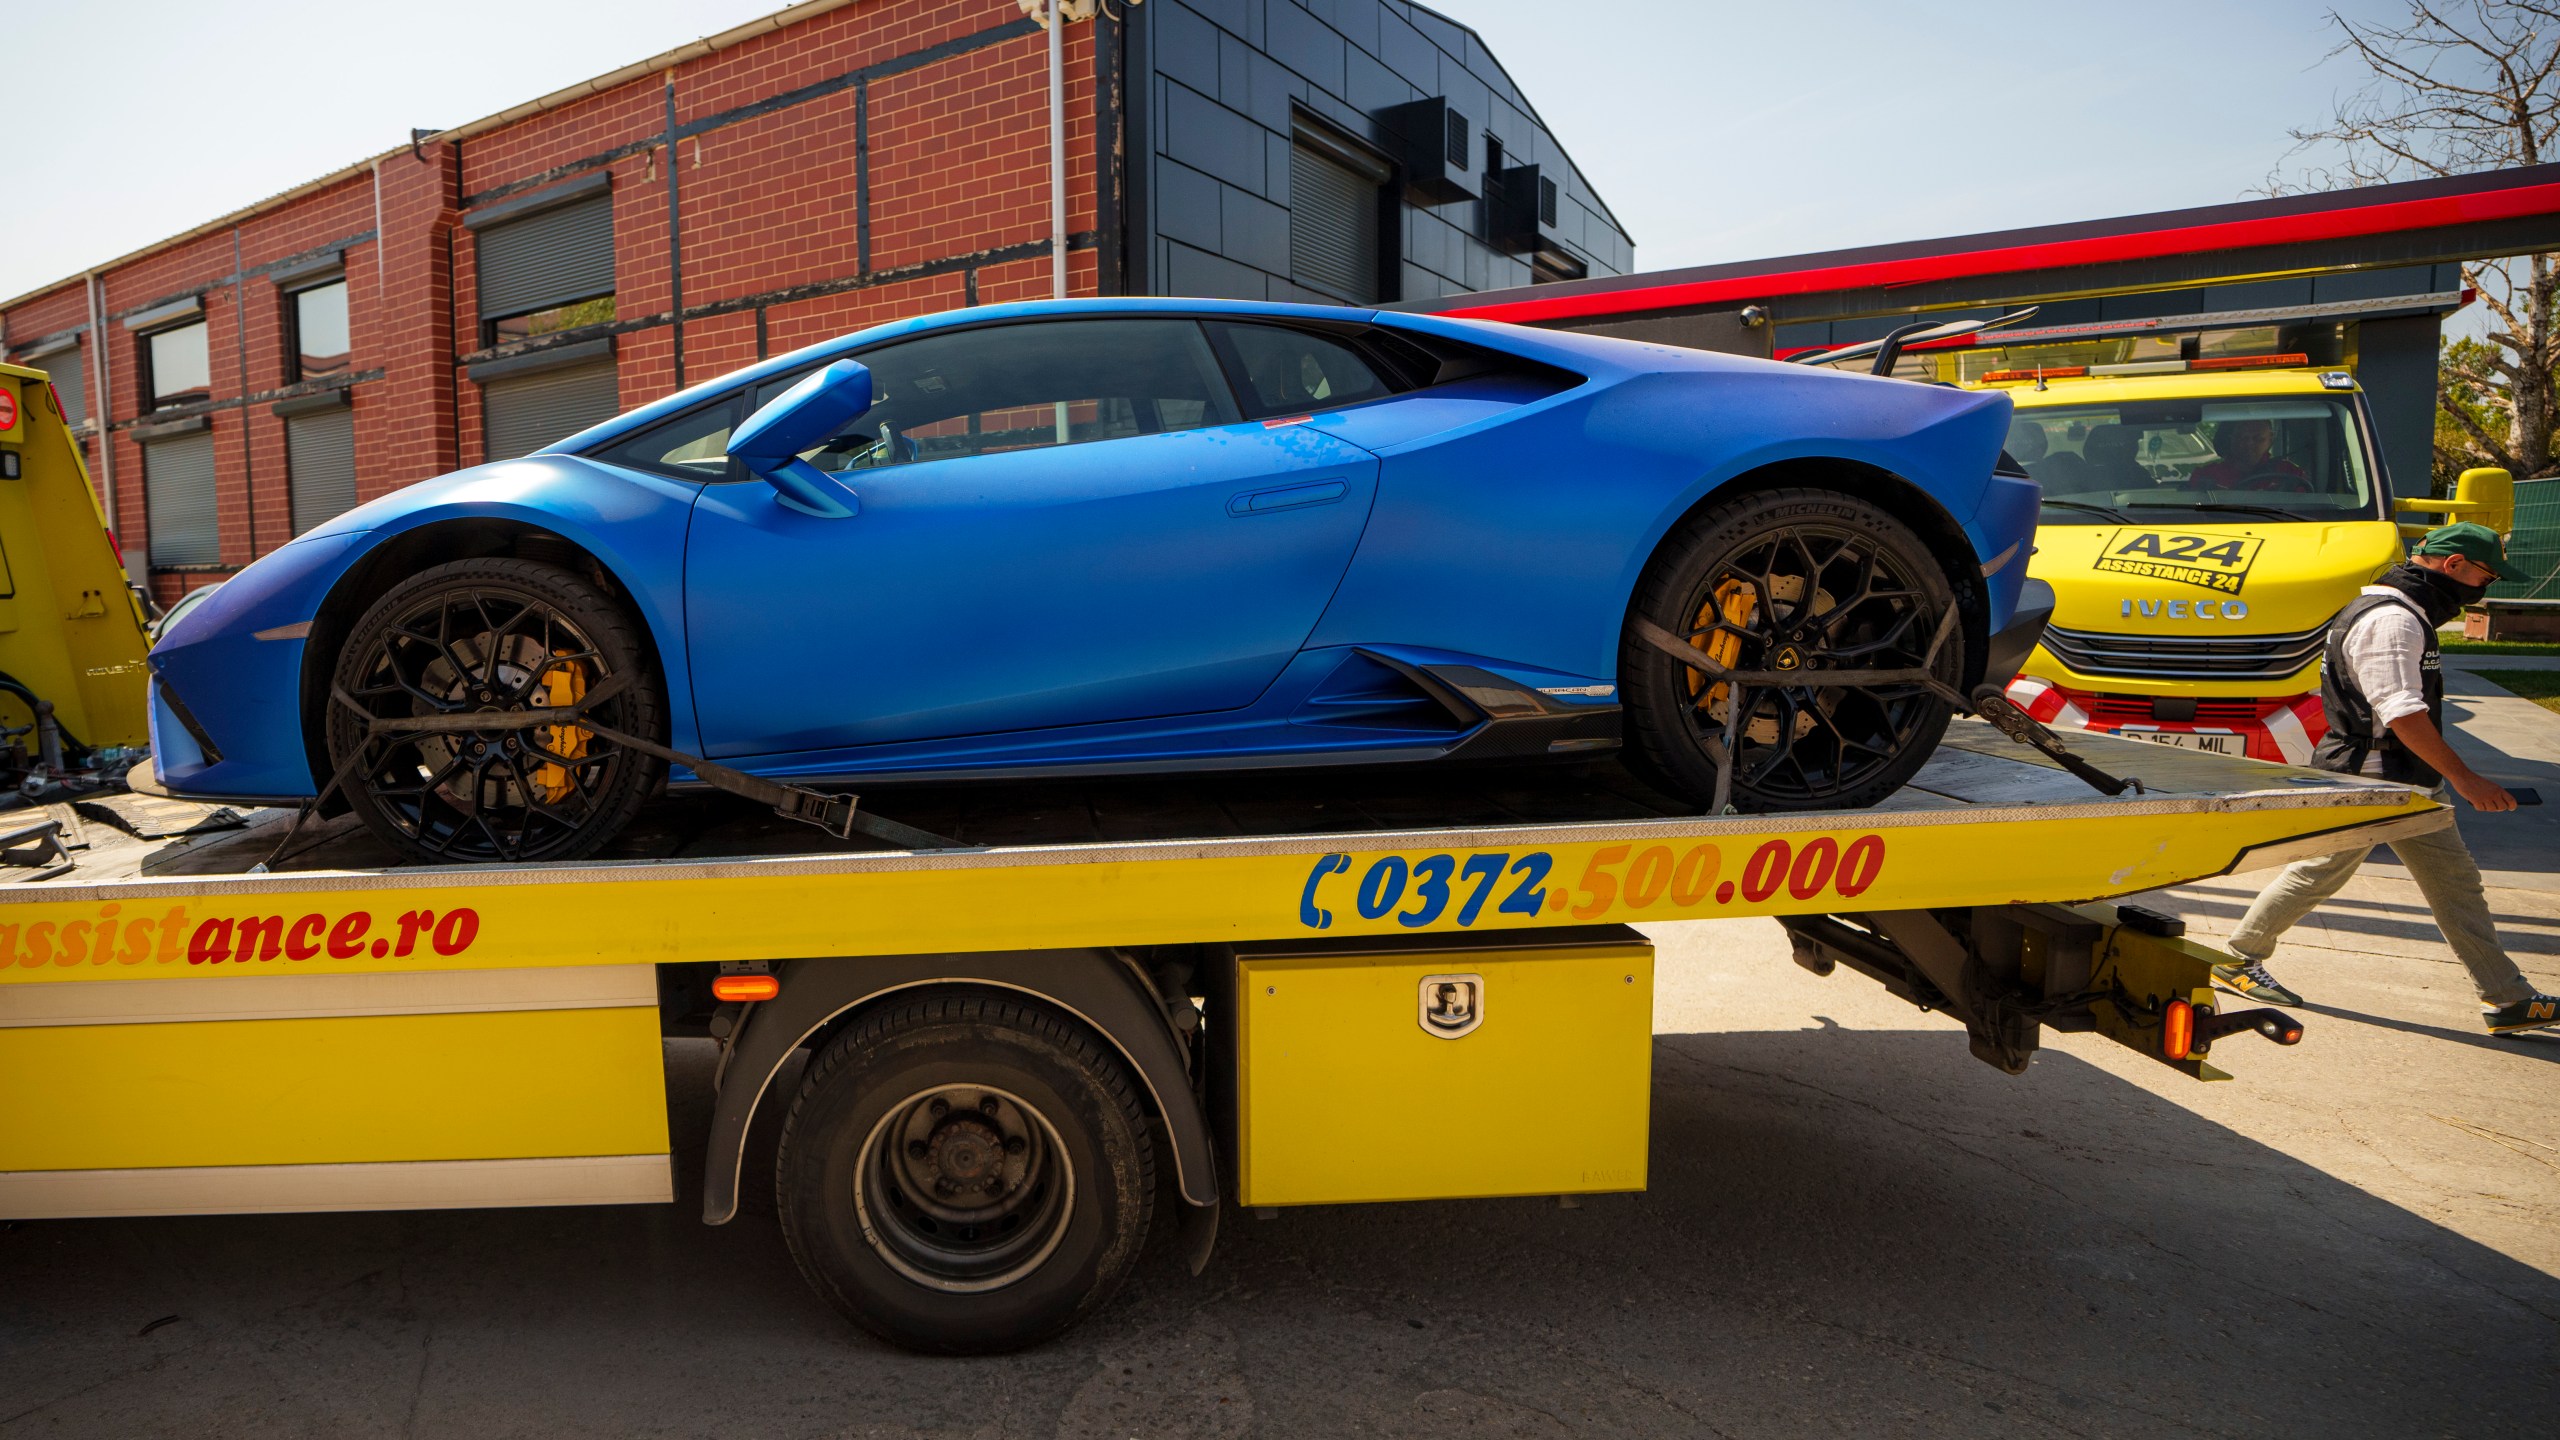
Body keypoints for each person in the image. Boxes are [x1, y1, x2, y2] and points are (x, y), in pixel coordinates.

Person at [2214, 522, 2560, 1036]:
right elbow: (2400, 714)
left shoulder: (2400, 612)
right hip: (2377, 781)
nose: (2483, 591)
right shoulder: (2393, 621)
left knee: (2450, 884)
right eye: (2486, 576)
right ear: (2454, 565)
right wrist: (2466, 779)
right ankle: (2239, 959)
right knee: (2325, 871)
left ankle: (2507, 997)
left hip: (2401, 779)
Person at [2188, 418, 2310, 492]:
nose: (2249, 444)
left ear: (2270, 440)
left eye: (2258, 439)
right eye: (2243, 438)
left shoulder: (2290, 474)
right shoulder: (2206, 475)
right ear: (2231, 439)